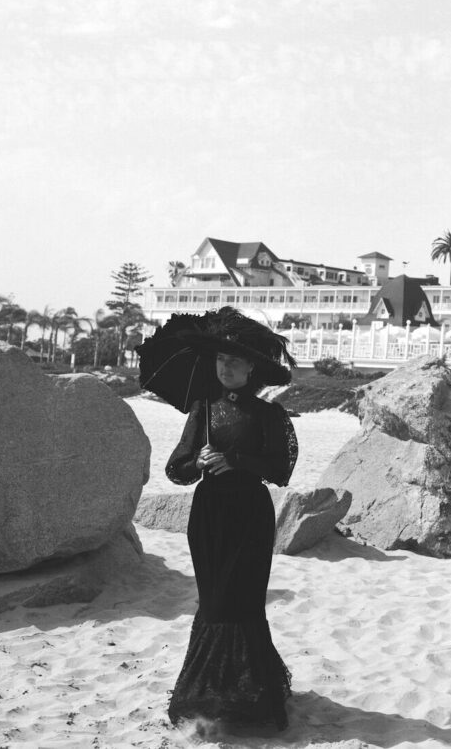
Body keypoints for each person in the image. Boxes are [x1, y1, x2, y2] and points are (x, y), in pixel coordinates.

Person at [165, 310, 298, 732]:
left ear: (252, 368)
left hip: (250, 517)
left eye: (234, 361)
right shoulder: (202, 409)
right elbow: (176, 468)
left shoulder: (268, 415)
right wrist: (198, 461)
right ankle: (209, 694)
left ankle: (250, 698)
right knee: (214, 603)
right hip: (209, 517)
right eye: (220, 360)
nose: (225, 367)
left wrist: (234, 460)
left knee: (242, 603)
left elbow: (280, 468)